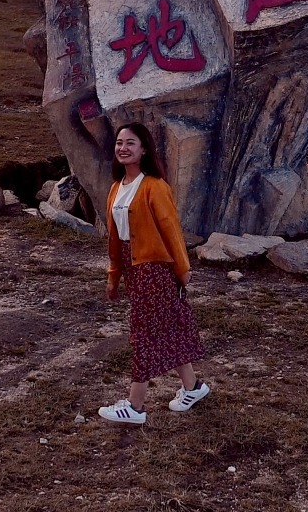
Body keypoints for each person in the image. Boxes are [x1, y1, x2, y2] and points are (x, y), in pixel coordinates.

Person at [98, 122, 208, 425]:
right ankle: (193, 387)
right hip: (133, 269)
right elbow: (115, 238)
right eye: (119, 143)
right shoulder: (115, 188)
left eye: (130, 143)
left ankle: (135, 406)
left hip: (154, 270)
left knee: (144, 333)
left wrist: (182, 270)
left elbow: (172, 231)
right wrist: (114, 275)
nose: (123, 148)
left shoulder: (154, 187)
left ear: (143, 149)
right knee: (166, 328)